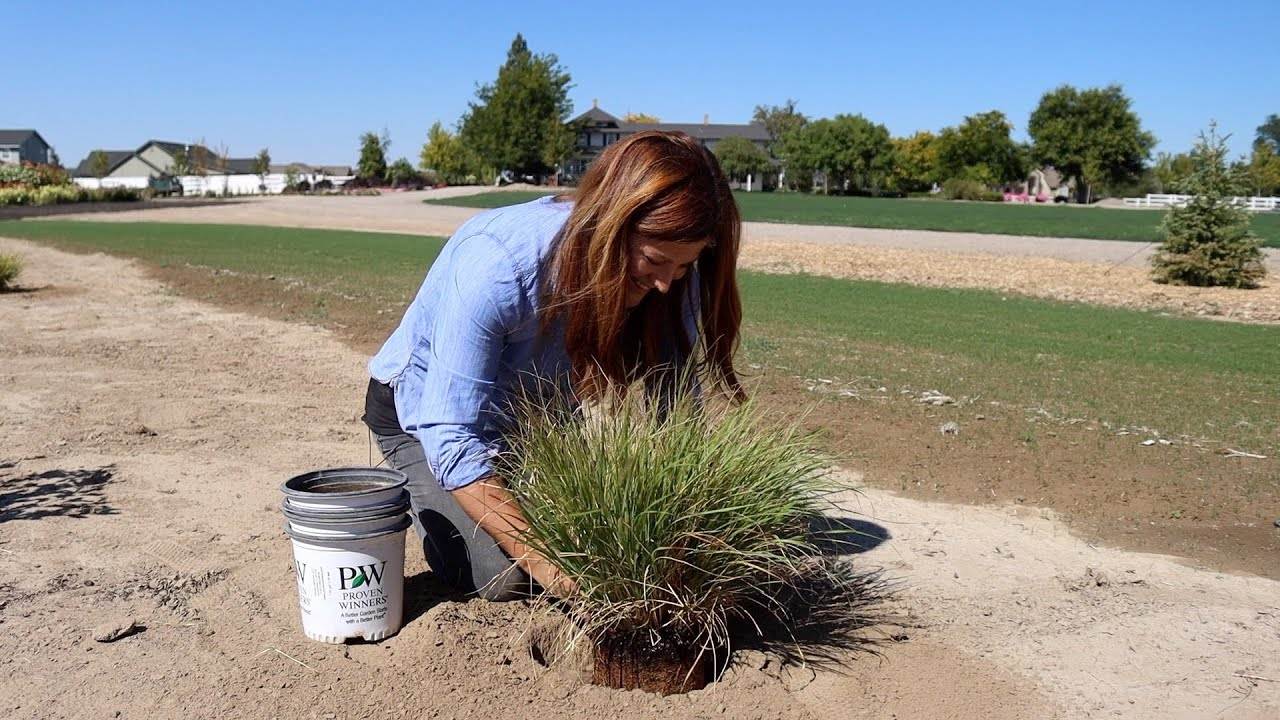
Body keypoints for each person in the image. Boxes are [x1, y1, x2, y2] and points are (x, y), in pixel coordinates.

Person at [362, 131, 745, 600]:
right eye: (654, 261)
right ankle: (421, 498)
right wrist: (566, 578)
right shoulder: (499, 264)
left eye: (684, 268)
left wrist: (684, 533)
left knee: (593, 533)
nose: (667, 284)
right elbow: (453, 436)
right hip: (421, 419)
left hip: (529, 417)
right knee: (507, 578)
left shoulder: (669, 275)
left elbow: (679, 413)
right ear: (609, 227)